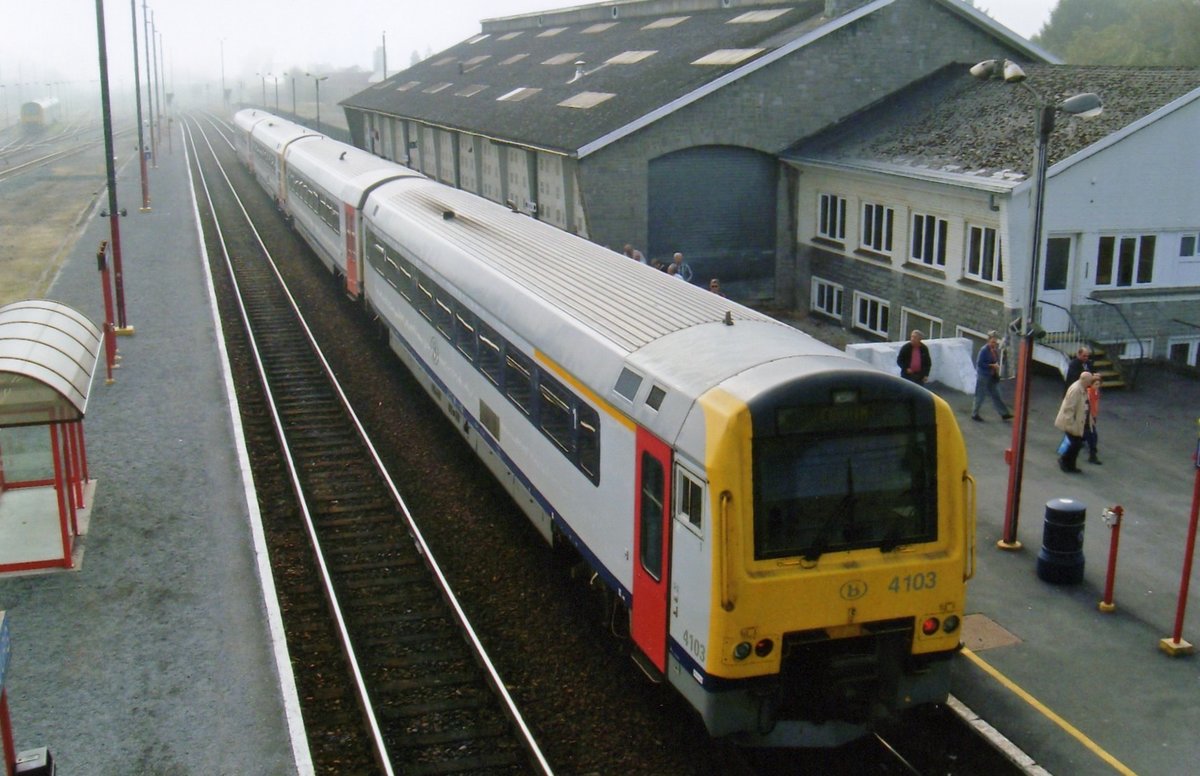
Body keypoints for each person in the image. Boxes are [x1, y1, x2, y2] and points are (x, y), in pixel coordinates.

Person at [1055, 372, 1097, 473]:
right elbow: (1069, 409)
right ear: (1085, 380)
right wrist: (1071, 424)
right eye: (1089, 381)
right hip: (1073, 423)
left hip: (1078, 422)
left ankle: (1070, 465)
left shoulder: (1081, 388)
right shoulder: (1076, 390)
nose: (1091, 383)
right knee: (1075, 444)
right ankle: (1065, 461)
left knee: (1076, 444)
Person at [971, 331, 1012, 421]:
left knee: (996, 394)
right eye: (992, 342)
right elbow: (980, 364)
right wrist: (992, 365)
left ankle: (1004, 413)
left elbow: (994, 360)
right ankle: (974, 413)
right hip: (983, 376)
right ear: (988, 341)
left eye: (995, 342)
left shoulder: (993, 350)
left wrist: (995, 367)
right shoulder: (984, 350)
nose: (994, 344)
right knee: (980, 395)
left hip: (991, 376)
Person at [1083, 374, 1102, 464]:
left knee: (1085, 434)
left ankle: (1092, 452)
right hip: (1087, 417)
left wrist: (1095, 414)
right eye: (1096, 384)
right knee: (1093, 435)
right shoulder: (1088, 392)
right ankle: (1092, 454)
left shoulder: (1096, 392)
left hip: (1092, 416)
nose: (1097, 386)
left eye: (1099, 384)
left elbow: (1096, 403)